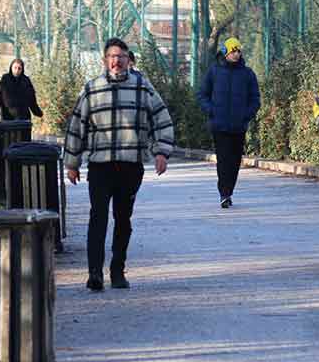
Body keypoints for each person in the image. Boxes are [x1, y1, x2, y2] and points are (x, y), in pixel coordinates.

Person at [63, 37, 175, 291]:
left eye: (121, 57)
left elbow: (162, 118)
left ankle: (117, 269)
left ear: (128, 60)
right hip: (100, 166)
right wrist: (72, 162)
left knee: (123, 219)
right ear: (105, 61)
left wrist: (162, 152)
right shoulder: (92, 89)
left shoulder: (142, 87)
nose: (116, 61)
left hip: (130, 164)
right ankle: (94, 272)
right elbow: (76, 126)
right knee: (98, 217)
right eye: (112, 57)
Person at [197, 37, 260, 209]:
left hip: (239, 126)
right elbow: (202, 94)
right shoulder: (214, 71)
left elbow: (255, 98)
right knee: (223, 160)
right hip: (219, 125)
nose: (236, 54)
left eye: (238, 51)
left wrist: (247, 115)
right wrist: (211, 110)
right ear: (225, 52)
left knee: (234, 161)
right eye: (233, 51)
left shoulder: (247, 74)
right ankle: (224, 193)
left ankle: (229, 190)